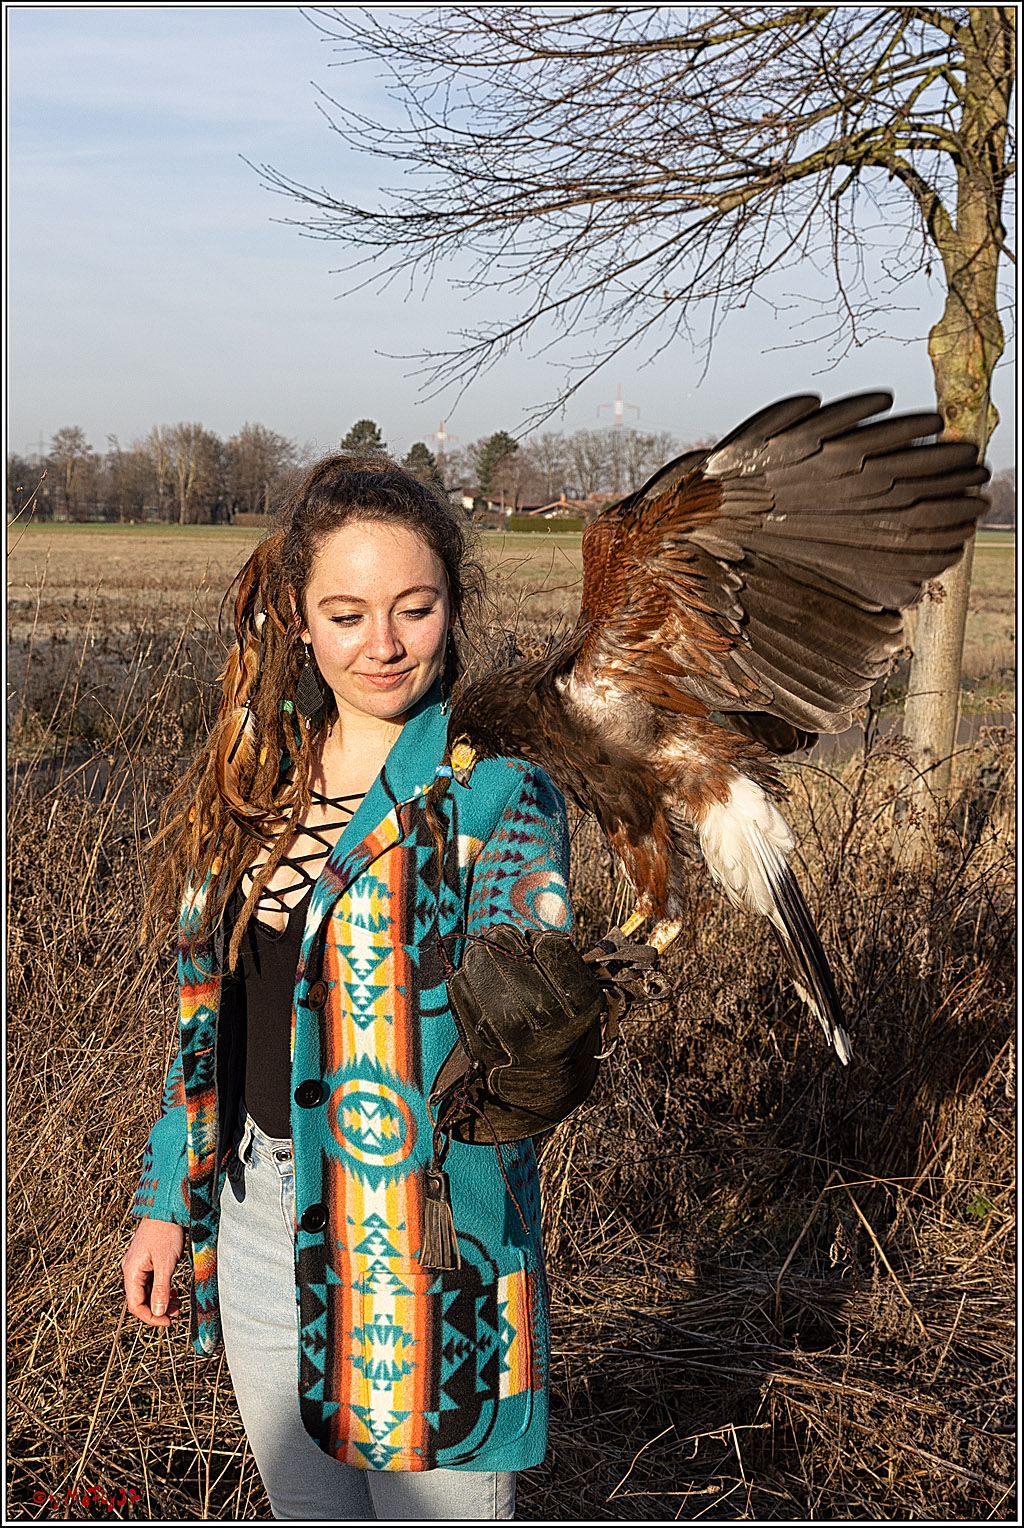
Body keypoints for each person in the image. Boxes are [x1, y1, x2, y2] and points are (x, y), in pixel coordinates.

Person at [122, 455, 575, 1521]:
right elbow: (217, 1025)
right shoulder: (256, 782)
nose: (382, 645)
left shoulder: (495, 795)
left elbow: (526, 1027)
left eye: (414, 609)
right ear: (298, 617)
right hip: (252, 1206)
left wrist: (546, 1019)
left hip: (420, 1238)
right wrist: (163, 1199)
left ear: (451, 607)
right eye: (347, 612)